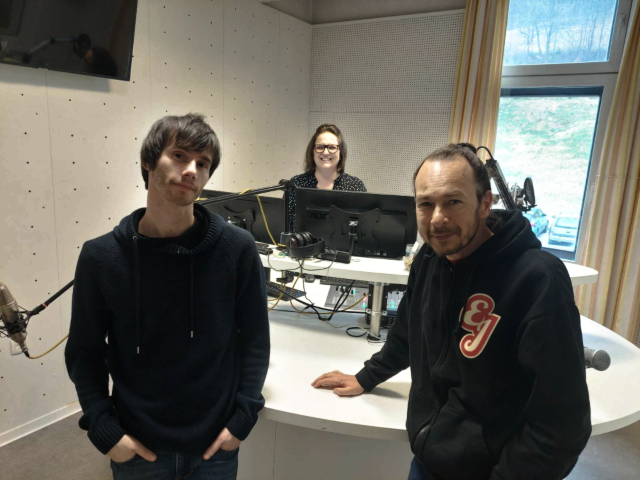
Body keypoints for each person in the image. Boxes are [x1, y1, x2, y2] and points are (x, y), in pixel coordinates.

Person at [312, 143, 591, 480]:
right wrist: (366, 377)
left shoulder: (538, 278)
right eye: (426, 204)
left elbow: (562, 423)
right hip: (428, 461)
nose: (437, 218)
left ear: (485, 204)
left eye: (453, 202)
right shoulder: (429, 259)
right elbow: (406, 334)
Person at [65, 113, 270, 480]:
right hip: (137, 447)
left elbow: (255, 340)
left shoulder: (236, 249)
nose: (191, 170)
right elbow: (85, 353)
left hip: (215, 447)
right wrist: (104, 430)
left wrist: (242, 420)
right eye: (179, 156)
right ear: (148, 162)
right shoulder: (101, 257)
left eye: (203, 163)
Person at [287, 124, 366, 232]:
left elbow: (362, 230)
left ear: (341, 152)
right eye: (320, 147)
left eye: (332, 147)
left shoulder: (355, 186)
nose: (325, 152)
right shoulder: (296, 184)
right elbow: (284, 226)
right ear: (312, 151)